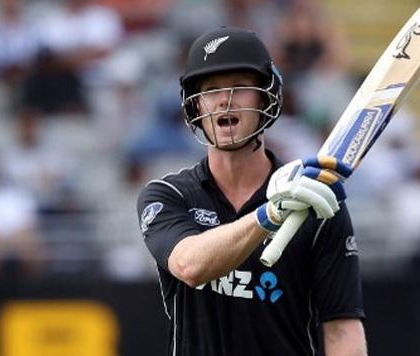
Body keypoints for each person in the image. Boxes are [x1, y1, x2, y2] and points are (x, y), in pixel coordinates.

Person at [137, 27, 367, 356]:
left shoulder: (315, 201)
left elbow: (341, 326)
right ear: (195, 104)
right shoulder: (167, 195)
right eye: (211, 89)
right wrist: (270, 214)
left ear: (266, 96)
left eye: (239, 88)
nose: (223, 100)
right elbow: (190, 265)